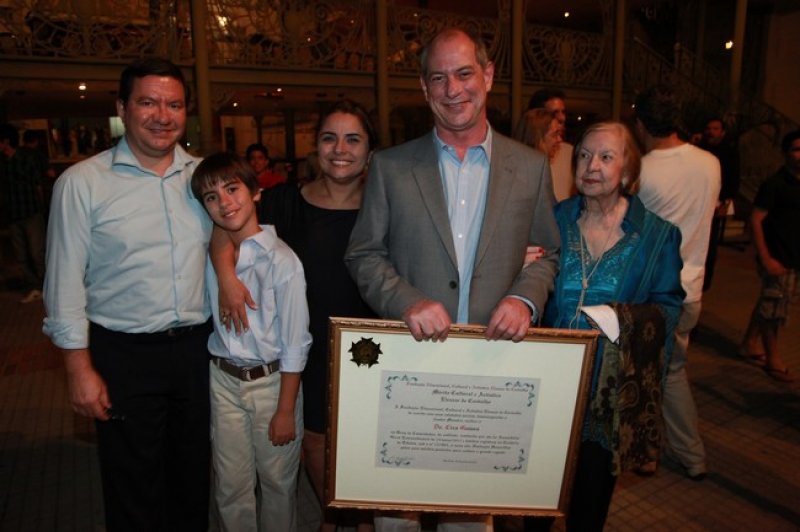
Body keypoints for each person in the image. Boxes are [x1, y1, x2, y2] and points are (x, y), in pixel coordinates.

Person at [344, 27, 560, 532]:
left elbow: (548, 253)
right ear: (424, 88)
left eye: (464, 74)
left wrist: (524, 300)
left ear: (487, 75)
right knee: (395, 519)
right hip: (408, 373)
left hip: (488, 371)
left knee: (468, 523)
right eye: (438, 78)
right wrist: (406, 301)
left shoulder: (530, 168)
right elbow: (364, 252)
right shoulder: (391, 167)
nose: (453, 89)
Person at [42, 58, 212, 531]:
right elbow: (64, 283)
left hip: (198, 351)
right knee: (132, 485)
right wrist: (79, 369)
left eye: (174, 104)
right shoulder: (82, 183)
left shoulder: (204, 179)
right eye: (148, 102)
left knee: (193, 479)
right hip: (123, 354)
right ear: (122, 107)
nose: (163, 115)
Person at [214, 99, 377, 532]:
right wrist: (225, 274)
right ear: (316, 146)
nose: (339, 148)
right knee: (315, 442)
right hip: (301, 344)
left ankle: (361, 519)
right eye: (329, 137)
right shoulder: (284, 201)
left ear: (369, 150)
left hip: (369, 345)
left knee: (364, 438)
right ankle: (332, 515)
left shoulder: (385, 207)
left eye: (353, 138)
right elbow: (223, 226)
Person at [530, 121, 684, 531]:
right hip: (546, 390)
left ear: (628, 172)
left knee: (589, 505)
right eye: (583, 154)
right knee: (533, 500)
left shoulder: (656, 236)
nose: (590, 165)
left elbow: (669, 306)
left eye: (605, 156)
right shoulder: (553, 219)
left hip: (607, 396)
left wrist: (626, 320)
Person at [191, 152, 311, 531]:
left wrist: (285, 409)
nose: (224, 203)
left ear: (256, 192)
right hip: (224, 380)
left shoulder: (283, 261)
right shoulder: (215, 251)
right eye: (211, 197)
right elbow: (220, 236)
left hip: (273, 384)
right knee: (230, 486)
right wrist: (226, 276)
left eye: (232, 189)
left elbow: (296, 342)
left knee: (277, 484)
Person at [634, 85, 721, 480]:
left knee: (657, 375)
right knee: (670, 370)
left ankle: (683, 454)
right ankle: (662, 451)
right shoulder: (710, 163)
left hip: (656, 292)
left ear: (640, 123)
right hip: (694, 287)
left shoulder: (642, 169)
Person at [740, 130, 800, 383]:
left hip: (795, 258)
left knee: (771, 301)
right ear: (786, 153)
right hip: (778, 256)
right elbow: (755, 220)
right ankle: (773, 357)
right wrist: (765, 257)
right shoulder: (775, 184)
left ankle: (749, 343)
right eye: (796, 149)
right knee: (774, 310)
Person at [0, 123, 47, 303]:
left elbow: (37, 185)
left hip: (31, 211)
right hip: (13, 213)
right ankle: (33, 286)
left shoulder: (25, 158)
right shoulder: (3, 163)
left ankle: (45, 286)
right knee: (21, 256)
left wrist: (41, 209)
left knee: (37, 252)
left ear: (5, 142)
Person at [699, 117, 740, 290]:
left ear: (722, 132)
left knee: (710, 244)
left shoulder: (729, 152)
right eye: (709, 128)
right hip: (699, 201)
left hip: (717, 202)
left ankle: (705, 282)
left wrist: (726, 201)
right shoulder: (701, 148)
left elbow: (733, 177)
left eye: (715, 128)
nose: (711, 132)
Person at [528, 88, 574, 201]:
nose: (562, 118)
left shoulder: (571, 153)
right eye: (555, 113)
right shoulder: (522, 162)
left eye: (563, 112)